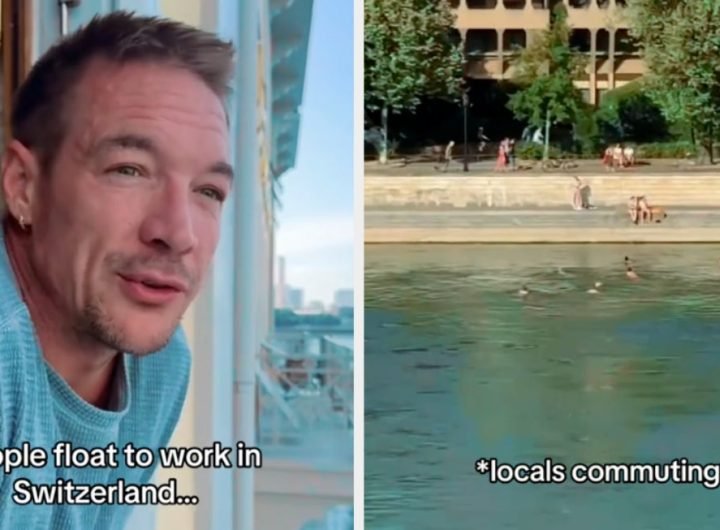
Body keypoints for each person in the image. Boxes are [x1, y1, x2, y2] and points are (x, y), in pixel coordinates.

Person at [0, 12, 234, 529]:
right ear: (23, 186)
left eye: (208, 192)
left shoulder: (160, 365)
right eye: (129, 170)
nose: (178, 232)